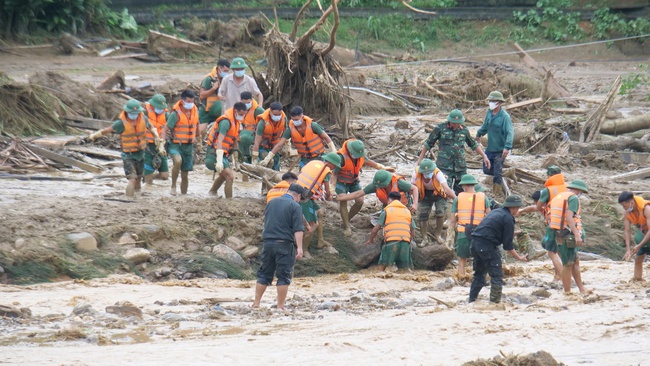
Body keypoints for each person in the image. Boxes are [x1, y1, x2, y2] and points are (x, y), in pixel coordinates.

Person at [88, 100, 164, 197]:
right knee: (132, 179)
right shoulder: (121, 123)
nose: (134, 115)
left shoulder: (143, 119)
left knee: (139, 178)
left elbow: (151, 127)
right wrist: (94, 136)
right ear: (127, 112)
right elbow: (107, 130)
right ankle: (129, 200)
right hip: (129, 155)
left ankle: (137, 196)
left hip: (141, 153)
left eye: (136, 113)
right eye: (132, 113)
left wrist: (156, 136)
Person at [252, 183, 305, 311]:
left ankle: (256, 303)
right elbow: (298, 229)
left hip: (268, 243)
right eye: (300, 198)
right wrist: (300, 248)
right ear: (298, 196)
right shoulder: (295, 206)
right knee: (284, 276)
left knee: (264, 274)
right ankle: (280, 306)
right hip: (284, 244)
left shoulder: (272, 202)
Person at [469, 195, 528, 304]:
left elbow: (493, 230)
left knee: (479, 274)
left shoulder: (496, 212)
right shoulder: (509, 218)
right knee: (497, 275)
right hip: (487, 247)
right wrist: (519, 257)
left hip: (475, 244)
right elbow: (507, 245)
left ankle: (472, 300)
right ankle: (494, 303)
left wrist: (513, 233)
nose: (518, 210)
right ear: (514, 207)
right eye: (518, 208)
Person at [417, 109, 490, 194]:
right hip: (444, 166)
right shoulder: (440, 128)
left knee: (463, 192)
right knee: (443, 191)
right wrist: (420, 159)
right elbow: (428, 144)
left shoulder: (464, 130)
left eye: (458, 123)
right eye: (454, 123)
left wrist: (484, 156)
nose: (456, 125)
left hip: (460, 167)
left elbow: (473, 144)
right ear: (449, 121)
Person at [332, 139, 392, 237]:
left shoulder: (360, 155)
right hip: (341, 182)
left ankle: (346, 220)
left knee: (360, 201)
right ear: (350, 151)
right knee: (343, 201)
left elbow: (368, 161)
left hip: (354, 181)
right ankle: (347, 226)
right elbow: (334, 175)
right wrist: (331, 189)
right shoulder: (341, 157)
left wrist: (382, 167)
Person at [548, 179, 592, 294]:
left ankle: (581, 289)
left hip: (558, 232)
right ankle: (567, 292)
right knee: (568, 264)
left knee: (575, 261)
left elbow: (549, 215)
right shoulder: (573, 198)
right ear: (579, 190)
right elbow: (569, 216)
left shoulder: (559, 196)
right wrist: (577, 234)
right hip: (567, 234)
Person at [296, 152, 342, 258]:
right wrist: (329, 197)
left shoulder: (314, 162)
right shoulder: (325, 171)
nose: (334, 168)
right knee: (312, 225)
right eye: (334, 166)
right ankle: (304, 250)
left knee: (320, 213)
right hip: (303, 199)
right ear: (330, 163)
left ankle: (320, 240)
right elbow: (327, 191)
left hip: (300, 193)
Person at [261, 106, 337, 169]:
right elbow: (279, 145)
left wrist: (334, 151)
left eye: (297, 119)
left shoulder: (313, 126)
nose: (295, 122)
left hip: (319, 157)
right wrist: (268, 158)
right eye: (293, 120)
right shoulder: (290, 130)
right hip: (304, 159)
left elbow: (327, 138)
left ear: (302, 117)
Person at [363, 192, 415, 272]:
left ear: (389, 200)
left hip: (391, 243)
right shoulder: (407, 212)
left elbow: (376, 229)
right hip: (405, 243)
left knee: (381, 269)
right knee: (404, 271)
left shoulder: (386, 211)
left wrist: (370, 240)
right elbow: (413, 231)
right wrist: (408, 242)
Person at [450, 174, 490, 278]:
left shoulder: (458, 198)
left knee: (462, 259)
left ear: (464, 186)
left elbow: (452, 220)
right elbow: (490, 217)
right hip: (480, 232)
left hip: (463, 231)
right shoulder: (484, 198)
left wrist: (450, 236)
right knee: (480, 257)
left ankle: (461, 278)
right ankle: (481, 278)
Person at [532, 165, 567, 281]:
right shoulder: (567, 188)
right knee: (559, 250)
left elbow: (538, 207)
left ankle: (562, 276)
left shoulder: (548, 190)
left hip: (553, 223)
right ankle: (558, 276)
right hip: (568, 223)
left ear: (549, 176)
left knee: (551, 251)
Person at [475, 91, 514, 198]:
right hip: (490, 148)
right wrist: (478, 134)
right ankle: (508, 172)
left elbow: (510, 132)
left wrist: (507, 147)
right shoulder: (489, 113)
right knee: (486, 169)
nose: (491, 103)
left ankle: (496, 193)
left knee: (497, 172)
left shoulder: (504, 117)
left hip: (500, 149)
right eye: (490, 101)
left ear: (499, 102)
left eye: (493, 101)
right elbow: (485, 126)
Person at [205, 102, 247, 198]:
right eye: (241, 114)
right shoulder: (226, 122)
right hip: (214, 153)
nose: (242, 116)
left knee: (223, 176)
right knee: (229, 177)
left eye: (243, 115)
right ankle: (229, 201)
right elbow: (219, 141)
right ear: (235, 111)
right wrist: (219, 161)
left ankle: (212, 192)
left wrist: (236, 159)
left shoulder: (236, 122)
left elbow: (234, 141)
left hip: (224, 153)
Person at [412, 158, 456, 246]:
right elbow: (413, 188)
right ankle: (424, 238)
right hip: (424, 193)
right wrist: (415, 202)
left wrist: (456, 199)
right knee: (422, 215)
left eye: (430, 172)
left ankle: (438, 234)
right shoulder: (416, 174)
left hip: (439, 192)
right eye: (426, 172)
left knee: (440, 212)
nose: (428, 174)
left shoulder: (438, 173)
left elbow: (446, 189)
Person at [164, 90, 201, 195]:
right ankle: (173, 186)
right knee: (178, 161)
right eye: (189, 101)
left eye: (192, 101)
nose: (191, 104)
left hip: (188, 146)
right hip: (176, 145)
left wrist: (199, 141)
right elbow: (165, 129)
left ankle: (184, 195)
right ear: (183, 101)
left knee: (185, 174)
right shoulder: (176, 113)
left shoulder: (195, 111)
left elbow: (197, 127)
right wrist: (161, 143)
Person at [335, 170, 419, 212]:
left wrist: (415, 204)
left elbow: (415, 188)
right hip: (388, 206)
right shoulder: (376, 185)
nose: (379, 187)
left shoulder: (399, 183)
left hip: (404, 206)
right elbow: (358, 194)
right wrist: (341, 198)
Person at [619, 191, 650, 280]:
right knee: (638, 258)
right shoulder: (627, 212)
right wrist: (628, 249)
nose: (624, 208)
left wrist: (639, 246)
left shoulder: (647, 209)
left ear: (631, 202)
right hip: (644, 234)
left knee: (640, 243)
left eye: (625, 206)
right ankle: (637, 279)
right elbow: (627, 230)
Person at [143, 94, 170, 185]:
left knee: (165, 176)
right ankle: (146, 176)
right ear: (152, 105)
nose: (160, 110)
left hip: (160, 146)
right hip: (147, 146)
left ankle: (147, 176)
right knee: (148, 181)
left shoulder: (166, 114)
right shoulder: (144, 113)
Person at [252, 102, 286, 171]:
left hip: (275, 146)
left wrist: (287, 146)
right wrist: (255, 156)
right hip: (263, 147)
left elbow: (285, 133)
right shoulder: (262, 122)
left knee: (276, 165)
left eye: (279, 114)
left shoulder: (284, 119)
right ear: (270, 112)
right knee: (269, 162)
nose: (277, 116)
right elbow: (257, 141)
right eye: (275, 114)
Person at [198, 59, 230, 134]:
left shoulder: (225, 79)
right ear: (219, 68)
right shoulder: (209, 79)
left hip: (218, 109)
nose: (226, 73)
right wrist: (213, 89)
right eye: (225, 71)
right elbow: (201, 96)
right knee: (201, 132)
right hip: (206, 109)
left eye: (227, 71)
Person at [237, 91, 265, 166]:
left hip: (254, 136)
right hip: (241, 135)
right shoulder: (237, 109)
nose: (246, 105)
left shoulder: (258, 110)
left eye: (248, 102)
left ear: (252, 100)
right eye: (244, 103)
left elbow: (263, 126)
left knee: (245, 138)